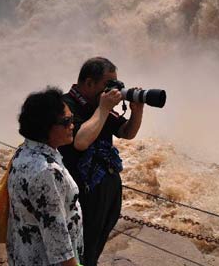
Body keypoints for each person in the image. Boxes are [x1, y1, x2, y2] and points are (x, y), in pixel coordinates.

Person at [59, 57, 144, 266]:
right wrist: (103, 109)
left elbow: (127, 132)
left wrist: (138, 110)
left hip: (105, 190)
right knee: (78, 248)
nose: (112, 90)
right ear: (88, 83)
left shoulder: (99, 106)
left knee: (92, 249)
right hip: (80, 194)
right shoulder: (65, 106)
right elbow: (80, 142)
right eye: (108, 84)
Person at [8, 87, 83, 266]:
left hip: (26, 253)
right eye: (66, 121)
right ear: (45, 127)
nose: (72, 125)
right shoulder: (46, 172)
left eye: (72, 119)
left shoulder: (24, 151)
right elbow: (56, 238)